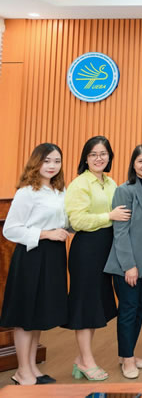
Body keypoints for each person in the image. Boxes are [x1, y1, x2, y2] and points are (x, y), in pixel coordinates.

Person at [1, 143, 69, 385]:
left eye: (57, 161)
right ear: (36, 162)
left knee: (38, 312)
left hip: (54, 257)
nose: (52, 165)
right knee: (25, 313)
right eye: (47, 160)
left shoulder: (60, 191)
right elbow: (11, 229)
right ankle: (22, 370)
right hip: (32, 256)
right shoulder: (27, 192)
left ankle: (32, 368)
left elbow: (65, 222)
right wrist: (46, 234)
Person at [64, 136, 125, 381]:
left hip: (106, 252)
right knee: (85, 307)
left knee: (96, 306)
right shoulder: (79, 184)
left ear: (109, 156)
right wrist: (108, 216)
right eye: (93, 154)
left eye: (103, 153)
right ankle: (87, 361)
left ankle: (81, 359)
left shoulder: (111, 183)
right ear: (85, 159)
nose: (99, 158)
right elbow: (77, 221)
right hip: (86, 251)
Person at [104, 144, 142, 379]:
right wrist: (129, 265)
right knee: (128, 309)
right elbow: (120, 232)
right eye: (141, 161)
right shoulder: (125, 190)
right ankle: (127, 360)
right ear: (133, 164)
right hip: (128, 261)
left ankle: (127, 352)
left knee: (139, 308)